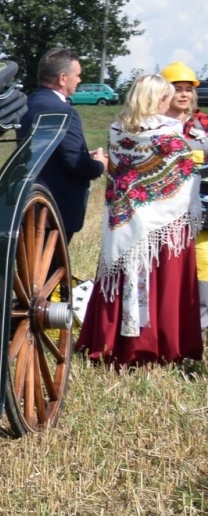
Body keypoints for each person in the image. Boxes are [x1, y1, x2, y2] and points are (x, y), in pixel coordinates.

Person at [76, 74, 203, 366]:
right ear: (155, 99)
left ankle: (114, 344)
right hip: (164, 225)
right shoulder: (168, 136)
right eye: (166, 97)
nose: (171, 101)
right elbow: (185, 177)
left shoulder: (116, 131)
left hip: (125, 221)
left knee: (124, 277)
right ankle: (158, 346)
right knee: (163, 284)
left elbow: (122, 175)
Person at [18, 48, 108, 238]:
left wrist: (84, 155)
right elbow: (78, 165)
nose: (80, 80)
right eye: (77, 75)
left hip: (26, 200)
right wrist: (100, 164)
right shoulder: (64, 111)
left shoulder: (27, 104)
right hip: (55, 206)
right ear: (62, 78)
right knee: (53, 267)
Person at [161, 61, 208, 333]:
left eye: (188, 90)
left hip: (200, 211)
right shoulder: (153, 125)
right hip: (163, 215)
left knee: (203, 267)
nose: (184, 94)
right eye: (177, 89)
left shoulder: (203, 124)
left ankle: (198, 332)